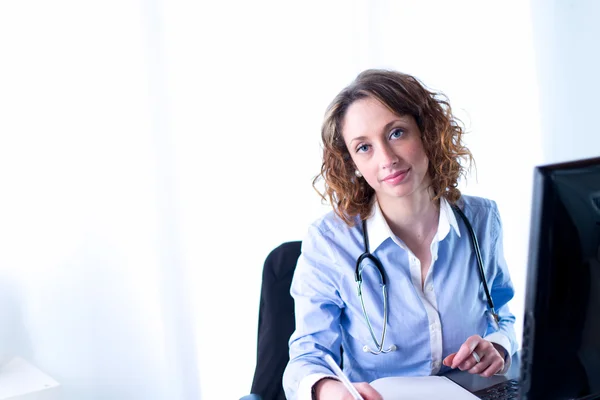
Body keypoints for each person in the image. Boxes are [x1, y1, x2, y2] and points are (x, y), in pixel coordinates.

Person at [282, 69, 517, 400]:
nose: (387, 159)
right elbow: (306, 358)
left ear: (427, 132)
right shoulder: (330, 241)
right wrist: (330, 392)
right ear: (351, 163)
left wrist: (497, 347)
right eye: (364, 147)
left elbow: (503, 314)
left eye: (396, 133)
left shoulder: (481, 220)